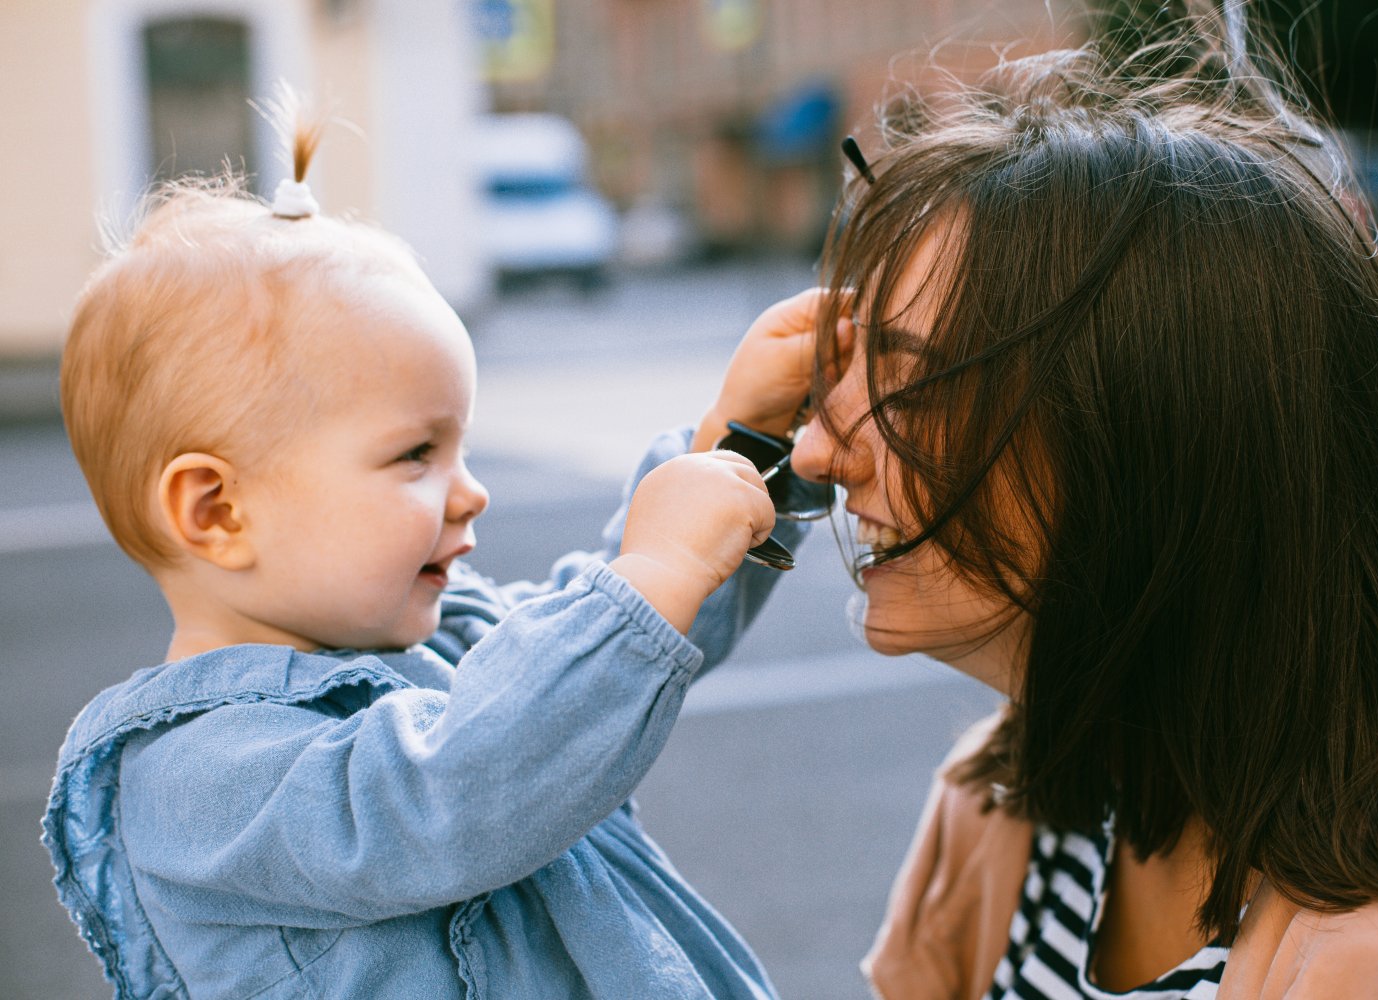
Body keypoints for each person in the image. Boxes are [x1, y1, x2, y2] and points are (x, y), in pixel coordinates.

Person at [787, 7, 1378, 998]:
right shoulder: (1003, 802)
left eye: (911, 388)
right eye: (842, 371)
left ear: (1158, 444)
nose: (817, 449)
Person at [44, 106, 825, 999]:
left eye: (459, 450)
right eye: (416, 454)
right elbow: (455, 790)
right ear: (218, 509)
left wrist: (745, 438)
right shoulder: (196, 781)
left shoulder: (440, 647)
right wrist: (654, 573)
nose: (470, 491)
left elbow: (602, 645)